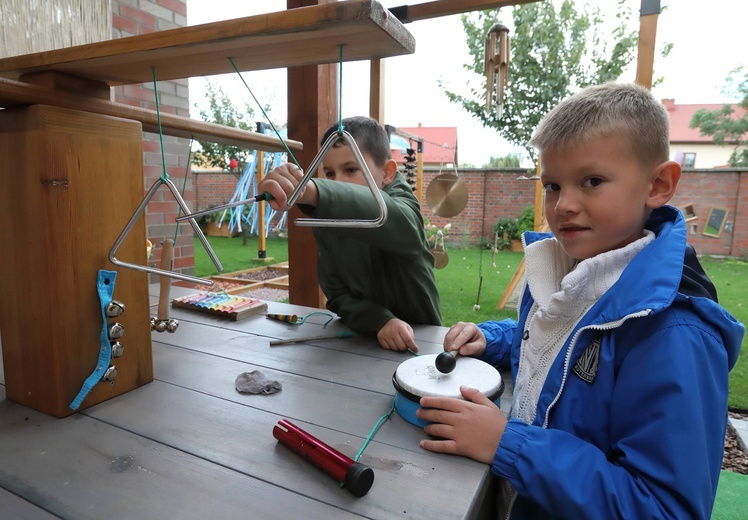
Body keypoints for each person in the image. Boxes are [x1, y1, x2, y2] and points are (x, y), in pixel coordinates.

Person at [417, 83, 744, 519]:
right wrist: (492, 338)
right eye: (552, 185)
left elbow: (666, 508)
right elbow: (562, 340)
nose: (564, 204)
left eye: (592, 181)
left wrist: (507, 444)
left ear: (659, 184)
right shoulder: (568, 269)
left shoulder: (674, 333)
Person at [258, 116, 441, 351]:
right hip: (361, 343)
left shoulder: (403, 208)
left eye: (351, 169)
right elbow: (337, 295)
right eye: (330, 174)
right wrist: (380, 321)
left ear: (387, 172)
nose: (338, 181)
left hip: (421, 342)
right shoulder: (326, 217)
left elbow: (399, 225)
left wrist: (313, 190)